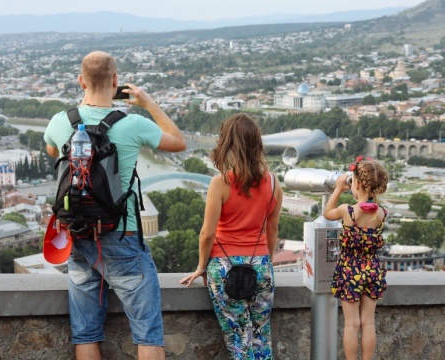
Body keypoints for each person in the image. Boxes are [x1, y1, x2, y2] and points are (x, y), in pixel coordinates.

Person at [44, 51, 185, 360]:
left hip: (79, 238)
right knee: (148, 335)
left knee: (86, 335)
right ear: (116, 81)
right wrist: (147, 102)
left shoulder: (60, 121)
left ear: (80, 81)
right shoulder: (132, 124)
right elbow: (178, 141)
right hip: (122, 236)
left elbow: (52, 150)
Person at [179, 113, 283, 359]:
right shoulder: (274, 183)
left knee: (238, 338)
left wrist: (201, 266)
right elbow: (273, 229)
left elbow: (207, 234)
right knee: (261, 336)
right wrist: (264, 259)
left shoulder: (221, 183)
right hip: (261, 265)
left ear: (227, 145)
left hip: (224, 267)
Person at [323, 158, 389, 360]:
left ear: (357, 184)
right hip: (373, 270)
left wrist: (337, 189)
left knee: (352, 324)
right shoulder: (381, 213)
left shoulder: (348, 211)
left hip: (350, 270)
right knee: (368, 322)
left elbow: (327, 213)